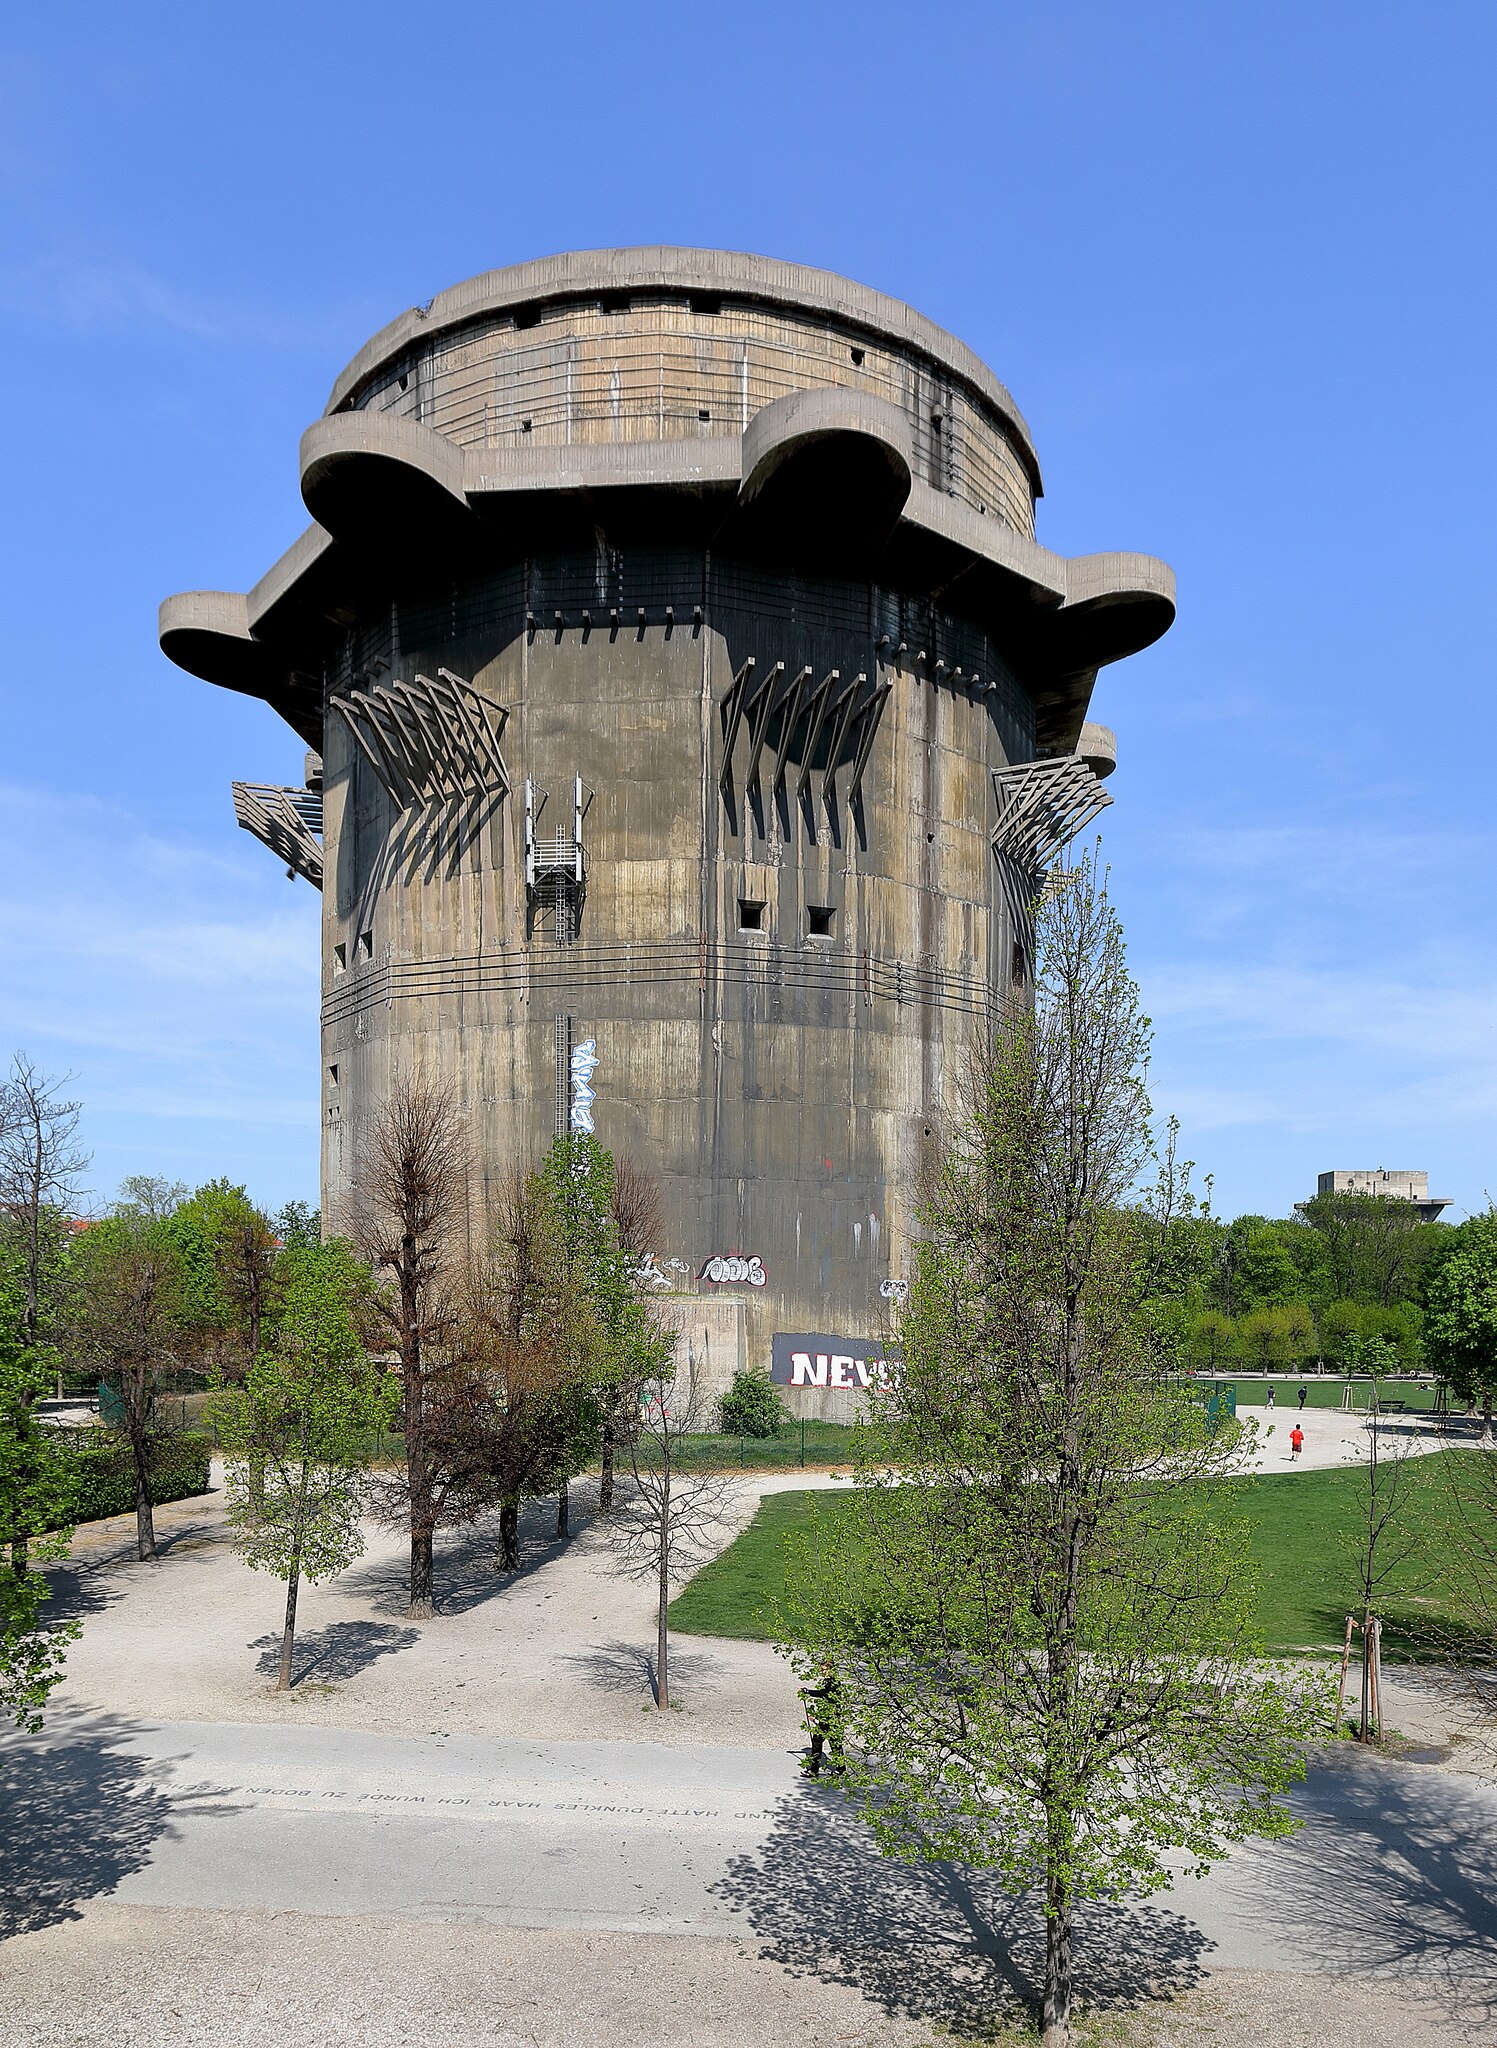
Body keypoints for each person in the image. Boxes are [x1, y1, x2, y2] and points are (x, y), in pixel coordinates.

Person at [800, 1662, 843, 1778]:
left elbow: (824, 1695)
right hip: (833, 1716)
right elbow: (823, 1694)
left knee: (817, 1742)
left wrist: (818, 1718)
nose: (822, 1672)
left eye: (824, 1670)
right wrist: (808, 1692)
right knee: (835, 1742)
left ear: (830, 1670)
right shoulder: (833, 1682)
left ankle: (814, 1770)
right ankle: (841, 1768)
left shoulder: (831, 1683)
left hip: (829, 1717)